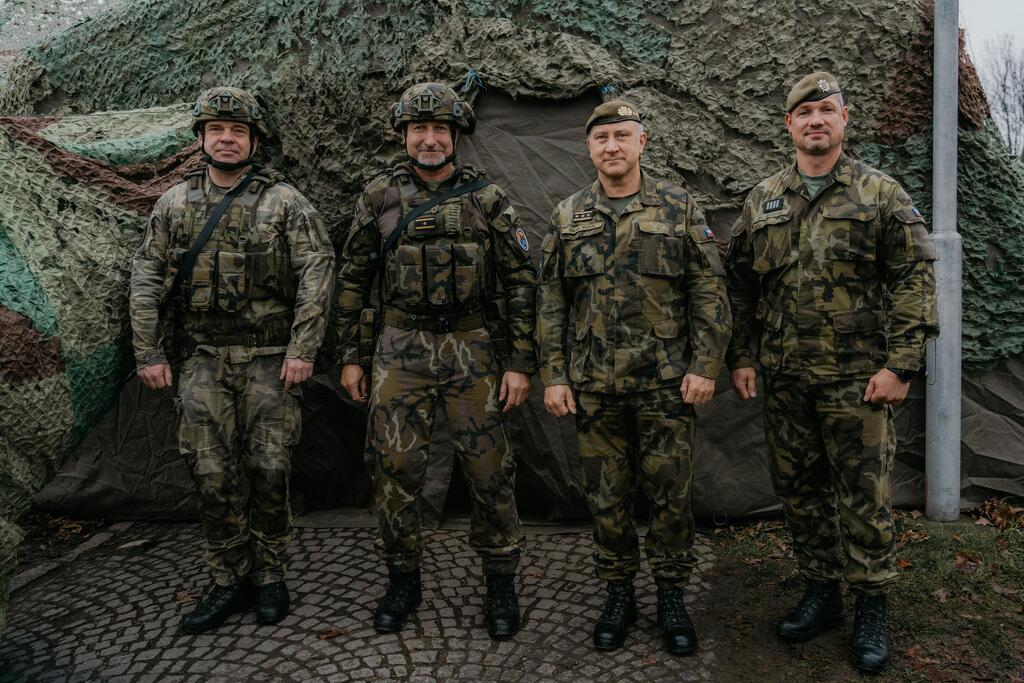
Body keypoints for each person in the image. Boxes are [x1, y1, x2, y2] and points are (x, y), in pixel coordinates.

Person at [725, 71, 939, 674]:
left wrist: (901, 365)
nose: (815, 120)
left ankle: (870, 601)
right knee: (800, 492)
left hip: (859, 380)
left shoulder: (882, 194)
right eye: (804, 113)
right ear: (788, 125)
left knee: (865, 496)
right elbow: (738, 285)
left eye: (826, 110)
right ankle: (821, 591)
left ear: (845, 120)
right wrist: (740, 355)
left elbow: (915, 280)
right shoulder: (763, 199)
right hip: (786, 378)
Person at [335, 82, 537, 639]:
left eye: (440, 130)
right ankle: (403, 578)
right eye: (419, 130)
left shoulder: (487, 199)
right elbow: (354, 279)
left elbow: (523, 280)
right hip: (400, 349)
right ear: (404, 135)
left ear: (455, 137)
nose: (429, 140)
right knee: (395, 469)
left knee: (489, 470)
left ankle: (500, 579)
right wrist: (350, 358)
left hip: (472, 348)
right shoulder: (380, 197)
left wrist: (520, 361)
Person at [129, 86, 335, 633]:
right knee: (210, 472)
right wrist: (147, 351)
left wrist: (302, 349)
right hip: (203, 360)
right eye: (216, 129)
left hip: (271, 359)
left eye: (237, 130)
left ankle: (270, 576)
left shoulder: (285, 202)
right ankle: (227, 578)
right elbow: (147, 275)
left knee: (270, 469)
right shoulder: (173, 204)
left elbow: (317, 272)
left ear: (253, 141)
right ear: (201, 138)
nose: (226, 138)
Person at [536, 99, 731, 655]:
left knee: (671, 496)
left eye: (622, 135)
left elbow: (708, 290)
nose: (612, 146)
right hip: (594, 387)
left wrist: (705, 365)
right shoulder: (568, 214)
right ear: (589, 147)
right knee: (606, 497)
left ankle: (672, 594)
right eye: (601, 138)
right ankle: (618, 593)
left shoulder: (677, 206)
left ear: (642, 142)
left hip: (665, 385)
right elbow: (550, 301)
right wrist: (554, 374)